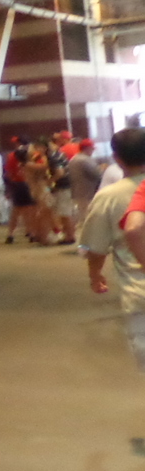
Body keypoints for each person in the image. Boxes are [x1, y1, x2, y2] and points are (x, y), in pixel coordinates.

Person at [85, 129, 145, 369]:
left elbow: (93, 246)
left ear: (116, 157)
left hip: (139, 293)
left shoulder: (107, 197)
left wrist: (95, 274)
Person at [69, 139, 104, 233]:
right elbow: (97, 174)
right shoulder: (84, 160)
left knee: (84, 216)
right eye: (92, 149)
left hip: (78, 191)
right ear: (87, 148)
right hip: (88, 192)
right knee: (90, 217)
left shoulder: (74, 158)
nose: (93, 151)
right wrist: (102, 168)